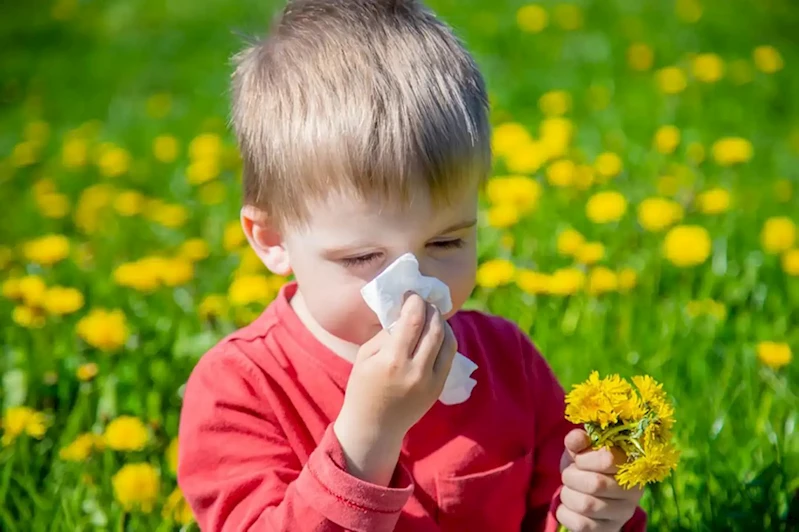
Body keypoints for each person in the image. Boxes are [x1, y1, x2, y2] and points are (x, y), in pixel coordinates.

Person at [177, 1, 647, 530]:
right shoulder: (241, 390)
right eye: (362, 257)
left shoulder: (507, 364)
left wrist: (595, 513)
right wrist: (367, 439)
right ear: (272, 239)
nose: (415, 290)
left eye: (446, 242)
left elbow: (553, 510)